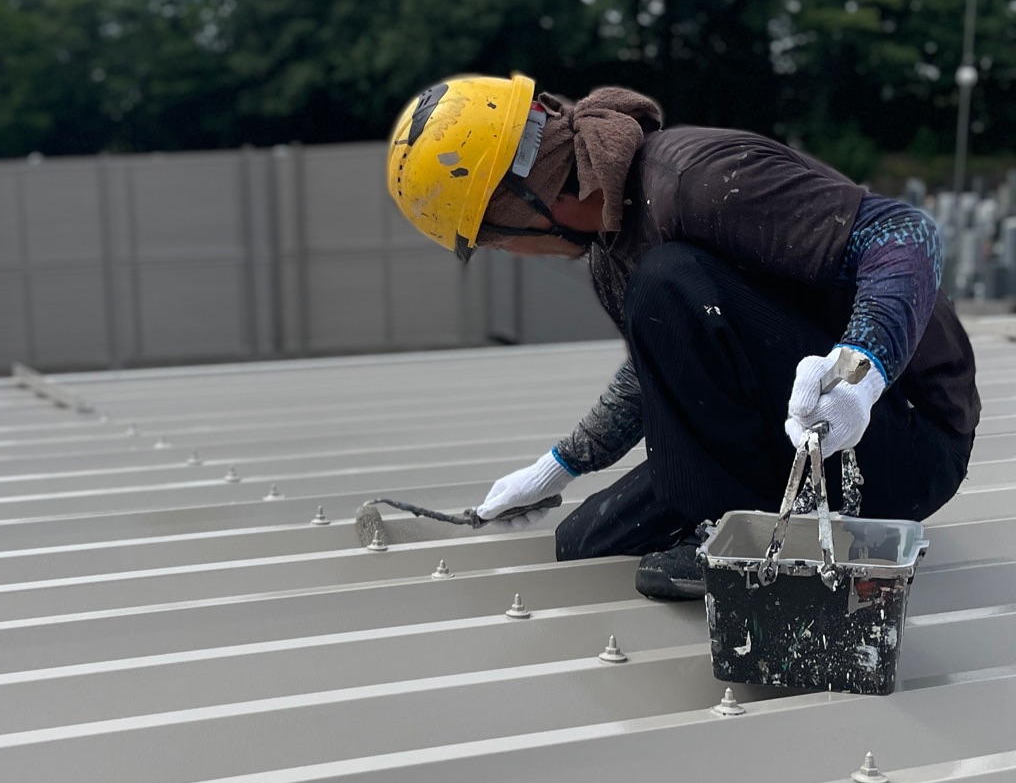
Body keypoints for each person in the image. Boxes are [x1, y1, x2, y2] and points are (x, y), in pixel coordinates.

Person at [385, 73, 978, 599]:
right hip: (792, 436)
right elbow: (670, 368)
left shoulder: (695, 179)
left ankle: (736, 534)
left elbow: (906, 231)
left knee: (666, 281)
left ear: (523, 204)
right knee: (585, 544)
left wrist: (860, 372)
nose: (508, 253)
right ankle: (730, 517)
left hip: (899, 437)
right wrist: (559, 466)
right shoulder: (611, 248)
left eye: (492, 238)